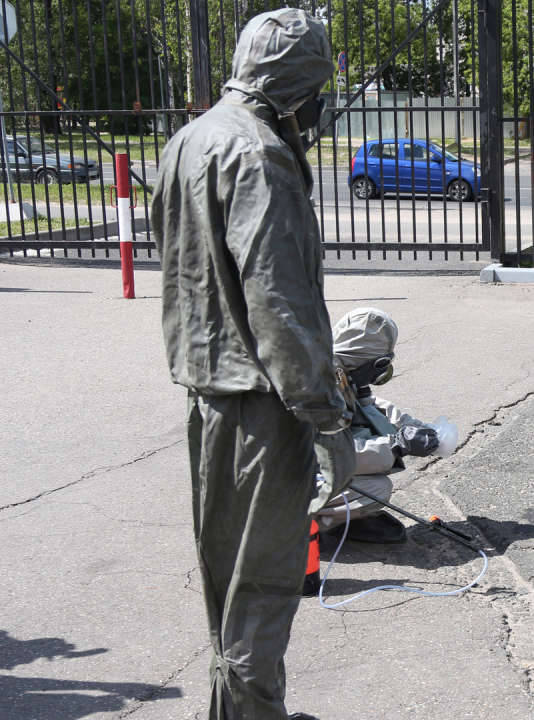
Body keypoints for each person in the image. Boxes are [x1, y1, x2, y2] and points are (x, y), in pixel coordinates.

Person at [152, 9, 346, 720]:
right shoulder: (260, 154)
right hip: (265, 405)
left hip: (207, 391)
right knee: (262, 588)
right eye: (317, 83)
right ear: (296, 81)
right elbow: (278, 300)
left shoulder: (188, 140)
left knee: (224, 583)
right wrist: (328, 418)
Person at [311, 307, 440, 546]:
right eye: (382, 362)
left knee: (373, 445)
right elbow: (325, 455)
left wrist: (411, 426)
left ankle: (342, 516)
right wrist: (397, 446)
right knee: (376, 488)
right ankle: (306, 525)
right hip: (278, 479)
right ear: (366, 358)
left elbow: (370, 406)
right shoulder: (316, 386)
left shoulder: (339, 369)